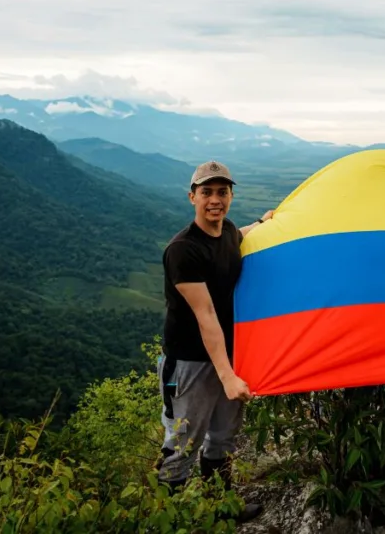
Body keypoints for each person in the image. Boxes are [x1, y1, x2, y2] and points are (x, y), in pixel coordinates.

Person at [156, 160, 271, 521]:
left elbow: (238, 237)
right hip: (190, 363)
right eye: (207, 192)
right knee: (182, 443)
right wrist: (227, 376)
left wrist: (265, 225)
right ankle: (168, 519)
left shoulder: (230, 233)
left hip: (228, 357)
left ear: (231, 196)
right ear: (192, 197)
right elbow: (206, 317)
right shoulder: (183, 251)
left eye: (222, 192)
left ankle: (221, 508)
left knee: (223, 436)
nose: (215, 200)